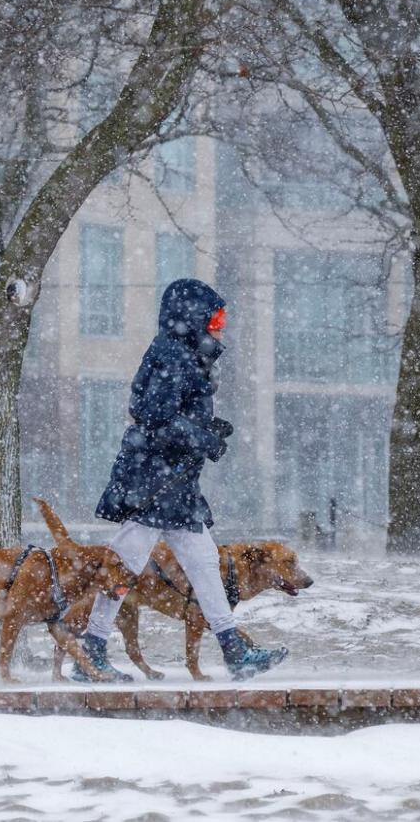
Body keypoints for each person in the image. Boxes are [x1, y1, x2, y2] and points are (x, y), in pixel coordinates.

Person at [75, 278, 288, 682]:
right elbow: (155, 417)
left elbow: (168, 413)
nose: (219, 326)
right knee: (124, 566)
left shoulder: (184, 354)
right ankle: (90, 652)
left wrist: (204, 428)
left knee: (203, 563)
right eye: (215, 317)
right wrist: (201, 436)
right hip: (154, 480)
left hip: (174, 482)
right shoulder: (173, 355)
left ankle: (234, 649)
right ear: (193, 317)